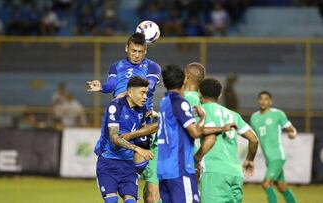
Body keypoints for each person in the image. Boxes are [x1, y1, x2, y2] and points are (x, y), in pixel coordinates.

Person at [87, 32, 161, 202]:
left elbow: (147, 87)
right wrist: (102, 87)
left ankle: (137, 187)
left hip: (143, 118)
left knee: (140, 165)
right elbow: (111, 85)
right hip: (120, 112)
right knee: (113, 143)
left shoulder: (152, 67)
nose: (136, 55)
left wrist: (128, 93)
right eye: (134, 51)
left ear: (146, 51)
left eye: (140, 52)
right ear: (126, 48)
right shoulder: (116, 66)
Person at [157, 64, 237, 203]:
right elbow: (196, 131)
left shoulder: (164, 101)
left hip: (164, 163)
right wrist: (197, 157)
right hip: (182, 163)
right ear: (184, 78)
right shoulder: (188, 101)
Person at [195, 78, 258, 203]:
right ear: (220, 95)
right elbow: (254, 139)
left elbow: (194, 131)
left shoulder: (198, 112)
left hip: (214, 171)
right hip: (235, 173)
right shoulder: (233, 115)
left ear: (199, 93)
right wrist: (249, 160)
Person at [94, 76, 154, 203]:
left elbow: (141, 134)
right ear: (130, 92)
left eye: (146, 93)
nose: (145, 97)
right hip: (108, 162)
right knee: (112, 200)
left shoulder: (142, 110)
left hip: (128, 164)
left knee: (130, 201)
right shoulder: (115, 107)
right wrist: (138, 149)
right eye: (142, 93)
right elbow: (114, 138)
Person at [250, 91, 298, 203]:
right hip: (269, 159)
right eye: (261, 99)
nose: (263, 101)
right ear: (258, 101)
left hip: (277, 156)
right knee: (282, 187)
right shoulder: (254, 117)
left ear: (270, 101)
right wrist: (250, 158)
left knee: (266, 184)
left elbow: (292, 129)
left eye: (266, 99)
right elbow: (253, 138)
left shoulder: (277, 114)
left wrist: (293, 134)